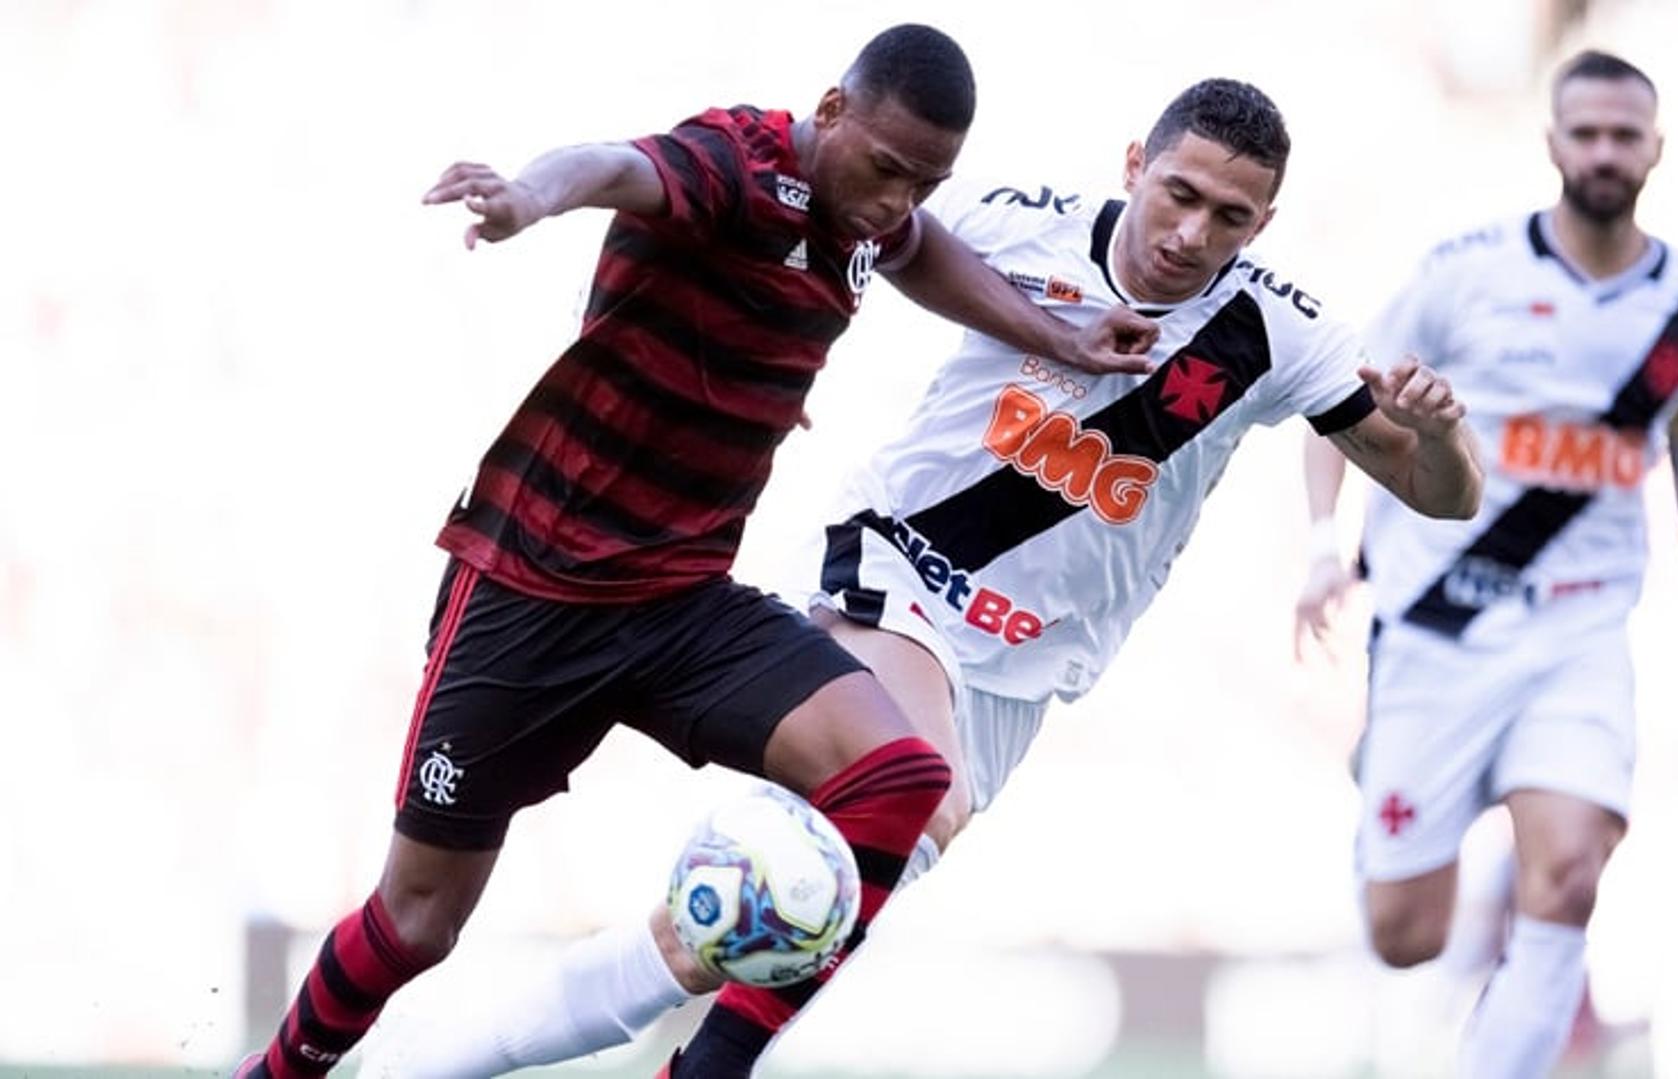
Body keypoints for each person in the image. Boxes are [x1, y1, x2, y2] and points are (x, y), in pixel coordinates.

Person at [362, 77, 1484, 1079]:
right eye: (1177, 193)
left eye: (1228, 217)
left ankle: (428, 1059)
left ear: (1263, 223)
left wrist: (1437, 439)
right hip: (897, 571)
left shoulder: (1279, 331)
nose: (1191, 235)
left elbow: (1444, 490)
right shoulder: (1008, 221)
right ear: (1136, 165)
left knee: (742, 924)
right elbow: (840, 233)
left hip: (1026, 665)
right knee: (911, 792)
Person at [231, 24, 1165, 1078]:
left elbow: (917, 251)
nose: (901, 199)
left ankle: (712, 1065)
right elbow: (619, 167)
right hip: (534, 584)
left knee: (900, 778)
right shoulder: (739, 165)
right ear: (829, 112)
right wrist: (530, 198)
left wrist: (1058, 336)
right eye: (890, 168)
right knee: (417, 921)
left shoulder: (870, 214)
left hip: (680, 601)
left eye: (927, 180)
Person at [1292, 49, 1678, 1078]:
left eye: (1623, 134)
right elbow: (1340, 409)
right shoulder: (1464, 274)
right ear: (1553, 141)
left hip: (1580, 630)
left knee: (1570, 876)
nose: (1604, 151)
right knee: (1404, 932)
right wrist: (1325, 547)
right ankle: (1390, 782)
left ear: (1654, 148)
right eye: (1586, 131)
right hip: (1436, 624)